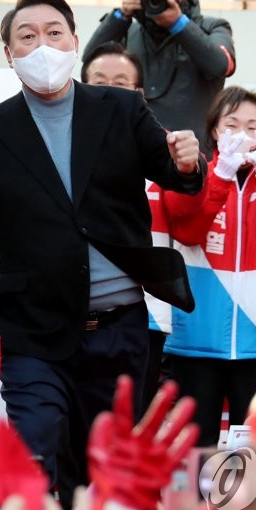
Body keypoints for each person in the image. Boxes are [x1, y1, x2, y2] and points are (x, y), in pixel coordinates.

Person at [0, 0, 205, 504]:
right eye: (26, 37)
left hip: (118, 330)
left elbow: (174, 173)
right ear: (9, 55)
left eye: (54, 32)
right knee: (35, 453)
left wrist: (188, 162)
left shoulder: (121, 108)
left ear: (75, 41)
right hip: (32, 330)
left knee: (102, 475)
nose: (43, 45)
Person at [161, 87, 256, 444]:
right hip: (196, 336)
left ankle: (249, 504)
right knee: (197, 446)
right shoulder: (190, 173)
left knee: (254, 449)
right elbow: (188, 230)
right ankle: (194, 503)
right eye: (232, 124)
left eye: (254, 126)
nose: (243, 133)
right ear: (213, 130)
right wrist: (221, 175)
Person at [80, 41, 169, 407]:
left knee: (119, 433)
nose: (108, 91)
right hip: (56, 323)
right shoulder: (52, 145)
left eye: (120, 83)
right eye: (98, 81)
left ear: (138, 95)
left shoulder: (161, 151)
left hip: (132, 320)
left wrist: (191, 166)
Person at [82, 0, 235, 148]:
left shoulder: (211, 27)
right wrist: (121, 15)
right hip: (135, 153)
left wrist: (177, 24)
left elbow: (220, 65)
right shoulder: (126, 29)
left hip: (192, 155)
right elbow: (89, 63)